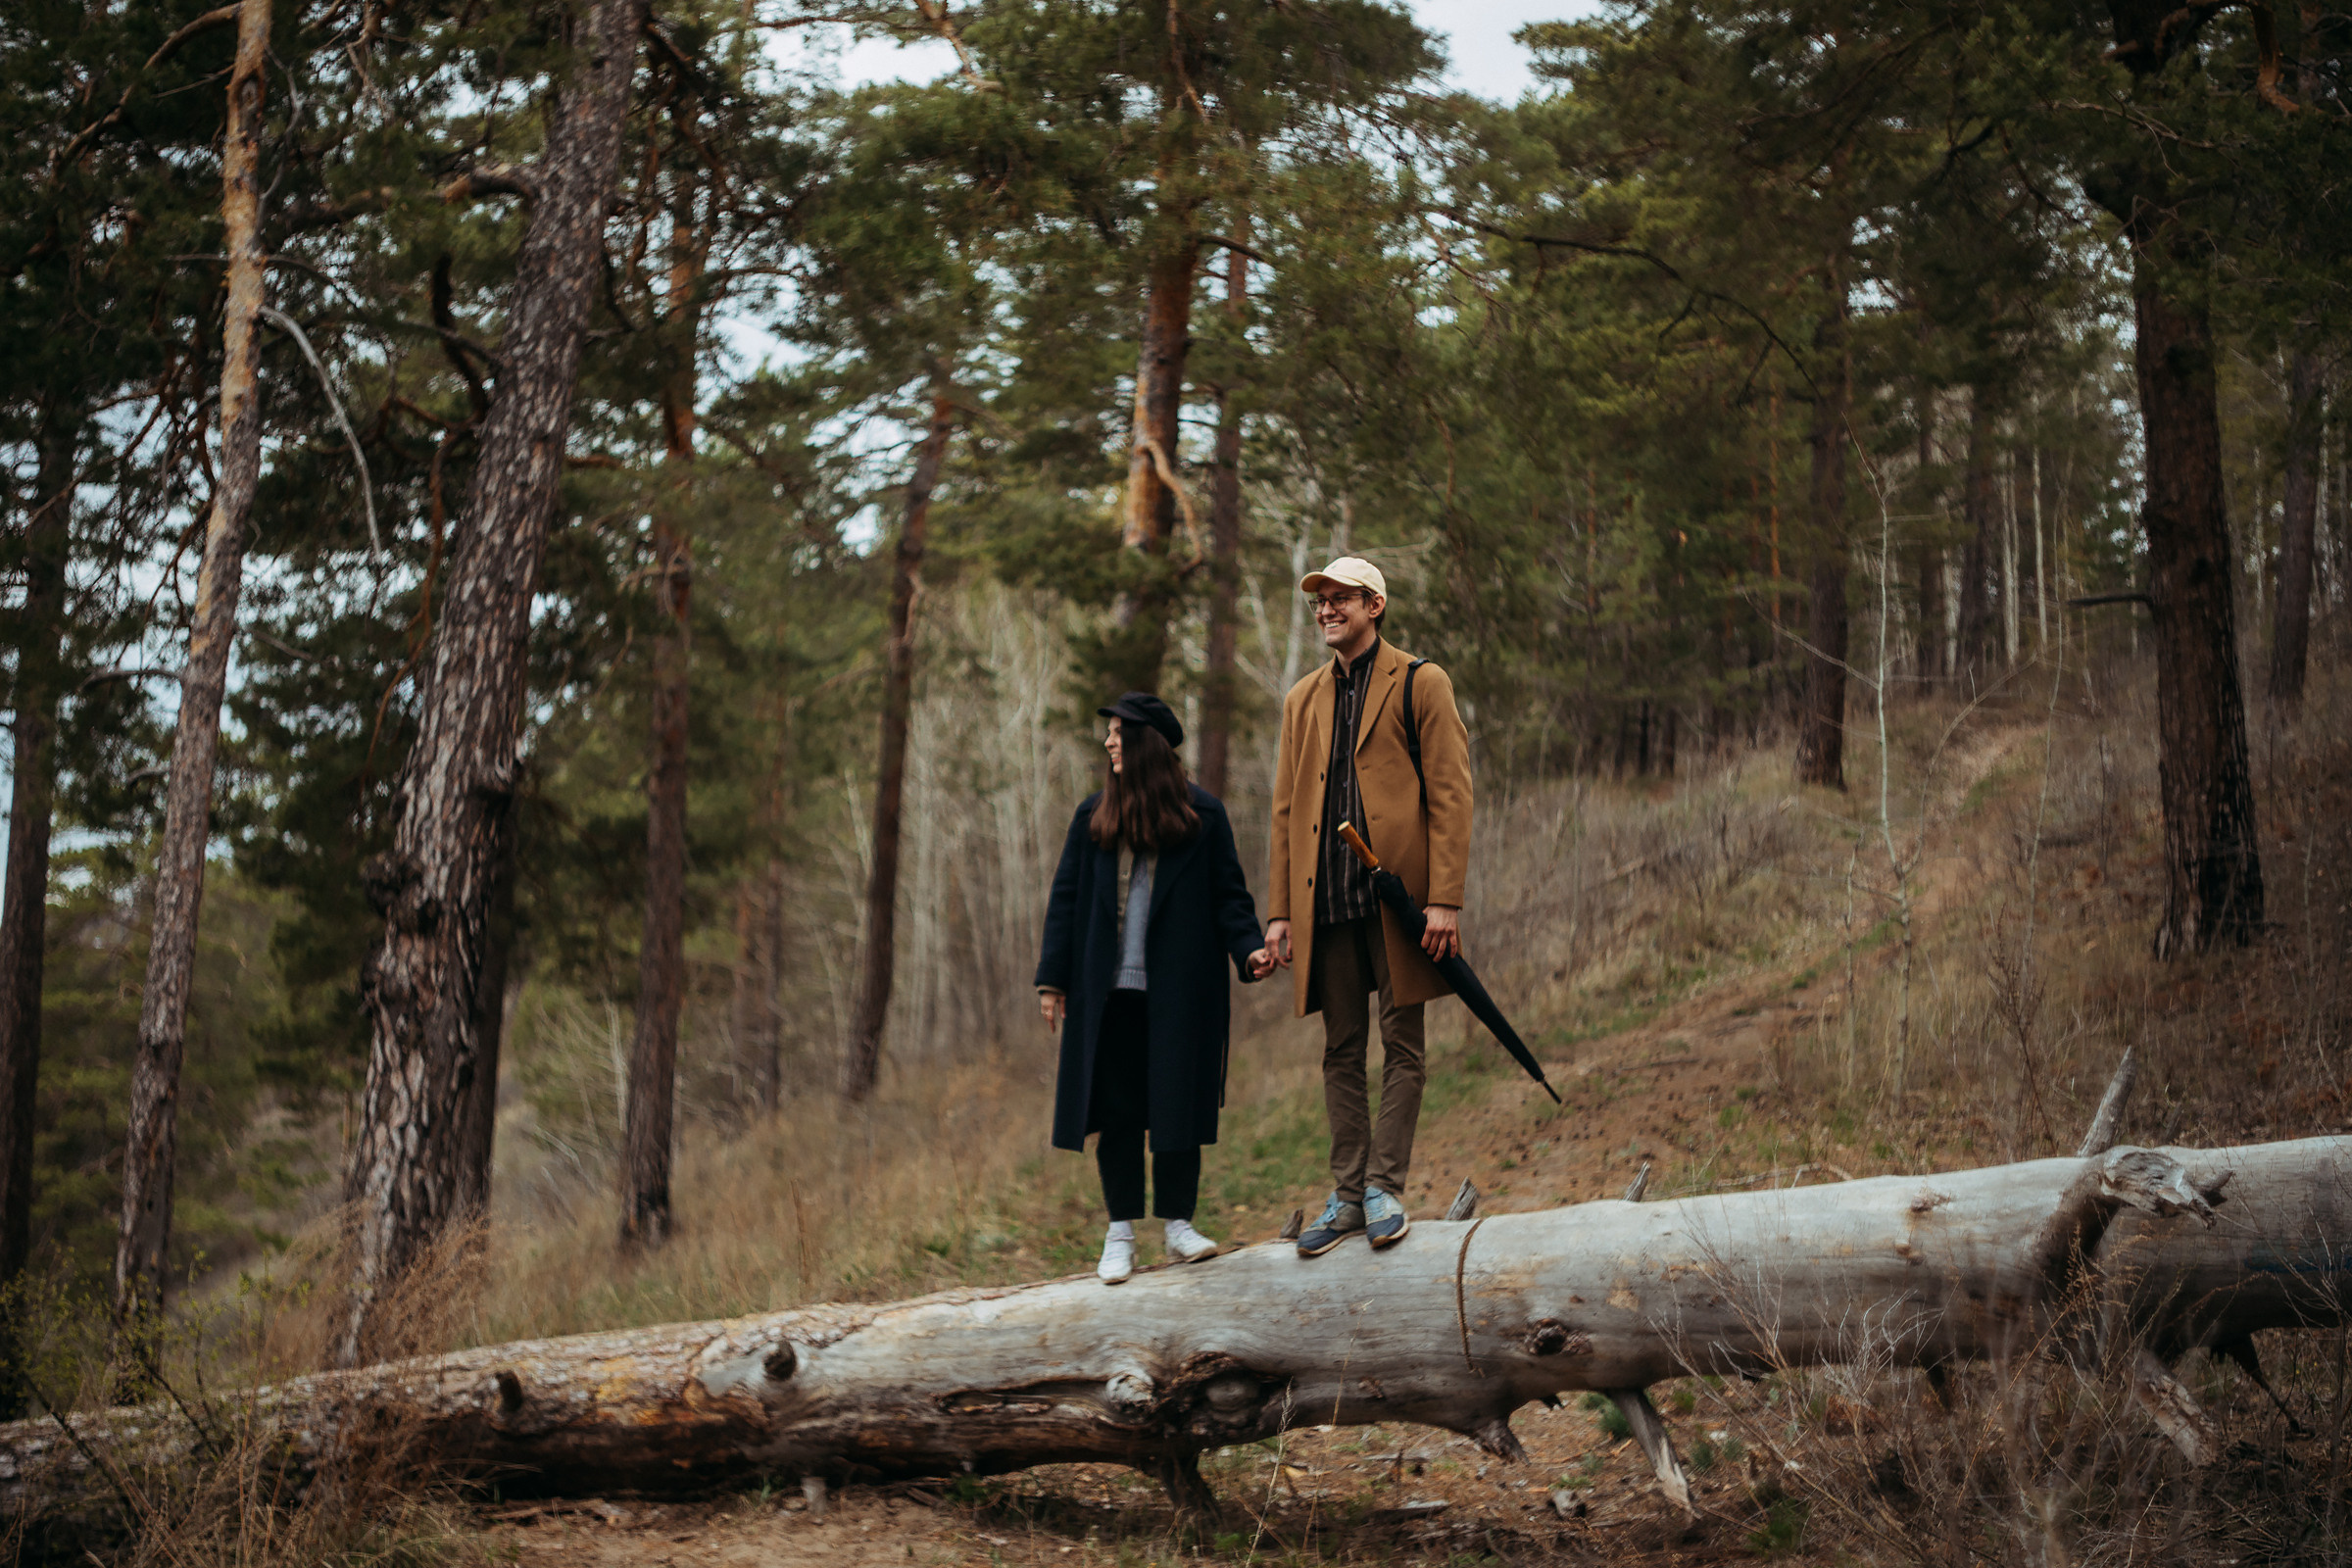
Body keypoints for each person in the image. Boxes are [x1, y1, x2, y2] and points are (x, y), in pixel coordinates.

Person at [1262, 557, 1472, 1256]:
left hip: (1401, 900)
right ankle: (1348, 1196)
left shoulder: (1421, 681)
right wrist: (1281, 912)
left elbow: (1450, 793)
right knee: (1340, 1050)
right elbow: (1286, 809)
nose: (1326, 609)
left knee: (1403, 1045)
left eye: (1340, 598)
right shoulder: (1302, 699)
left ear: (1374, 605)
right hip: (1326, 903)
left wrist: (1445, 899)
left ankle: (1385, 1185)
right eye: (1318, 601)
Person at [1037, 692, 1270, 1285]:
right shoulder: (1093, 817)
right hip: (1106, 994)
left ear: (1146, 745)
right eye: (1108, 731)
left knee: (1175, 1105)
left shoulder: (1204, 818)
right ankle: (1119, 1233)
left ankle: (1178, 1226)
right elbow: (1065, 901)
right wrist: (1052, 979)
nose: (1109, 742)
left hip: (1179, 992)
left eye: (1118, 732)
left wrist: (1250, 952)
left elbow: (1229, 900)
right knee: (1116, 1114)